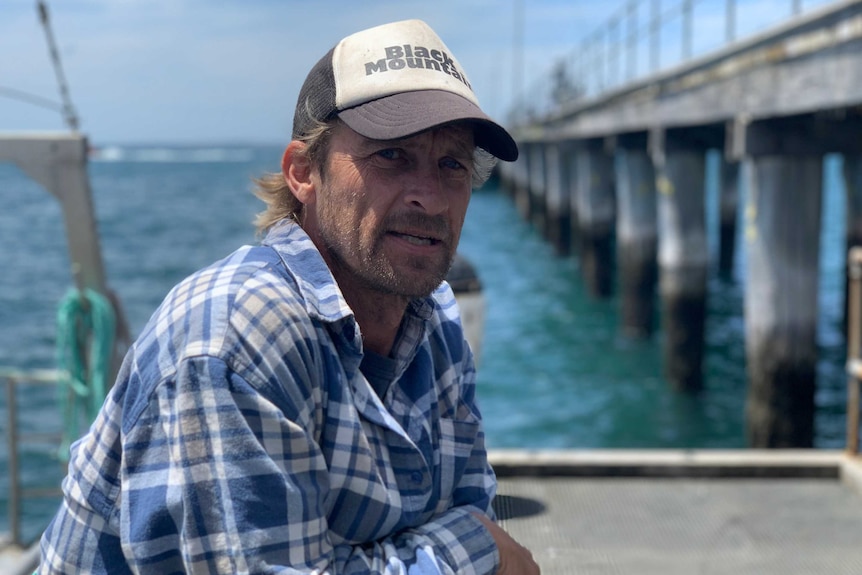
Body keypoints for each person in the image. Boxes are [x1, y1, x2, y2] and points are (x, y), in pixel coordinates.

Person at [38, 19, 539, 575]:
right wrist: (472, 546)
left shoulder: (436, 319)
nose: (430, 198)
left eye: (452, 164)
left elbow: (468, 508)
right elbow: (481, 539)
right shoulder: (238, 335)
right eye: (392, 157)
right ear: (303, 173)